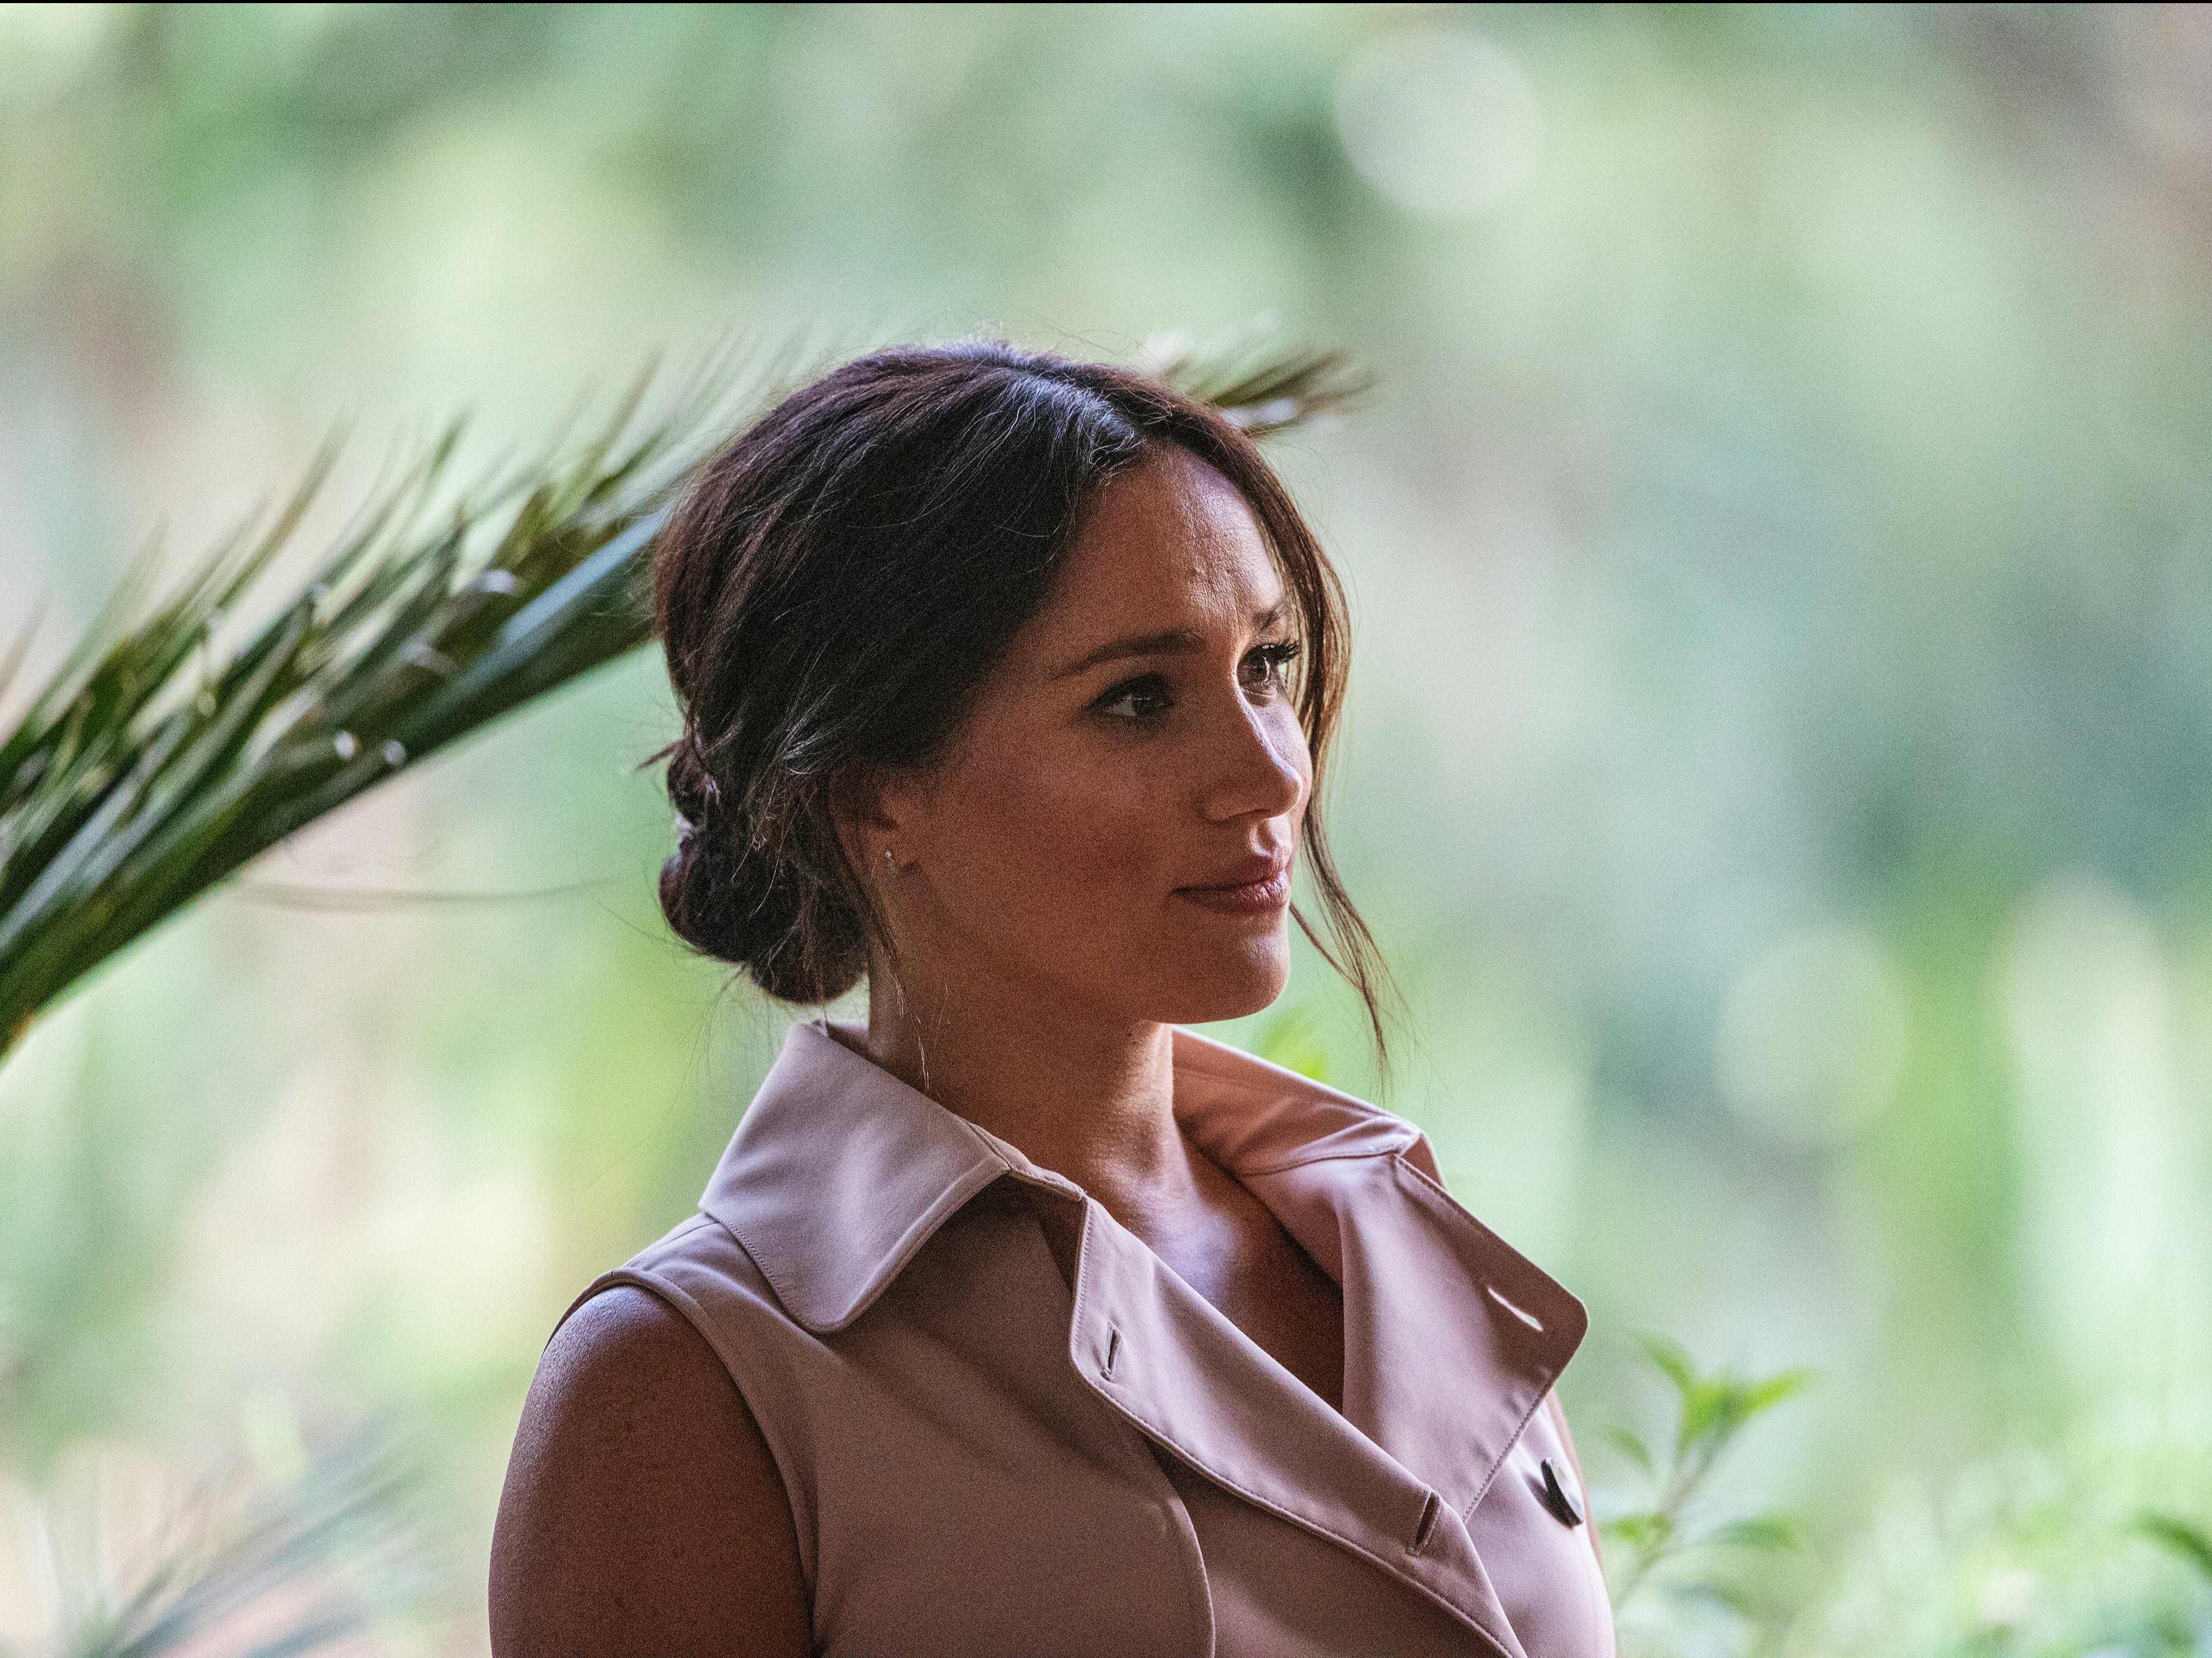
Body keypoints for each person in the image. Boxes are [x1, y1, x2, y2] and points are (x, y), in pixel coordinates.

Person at [488, 341, 1615, 1657]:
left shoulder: (1408, 1251)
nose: (1270, 777)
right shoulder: (693, 1384)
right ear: (873, 792)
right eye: (1138, 699)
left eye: (1267, 665)